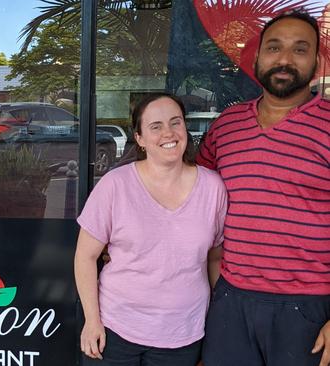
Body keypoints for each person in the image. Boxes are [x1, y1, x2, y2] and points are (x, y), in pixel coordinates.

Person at [197, 10, 330, 366]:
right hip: (230, 299)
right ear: (256, 58)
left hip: (309, 307)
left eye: (300, 50)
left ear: (316, 63)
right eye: (274, 47)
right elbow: (190, 194)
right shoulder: (227, 125)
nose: (284, 59)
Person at [75, 93, 227, 365]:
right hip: (115, 330)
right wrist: (91, 320)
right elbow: (85, 257)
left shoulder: (213, 188)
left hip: (183, 334)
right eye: (155, 126)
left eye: (175, 122)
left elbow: (215, 258)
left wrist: (219, 320)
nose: (168, 133)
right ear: (140, 138)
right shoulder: (115, 185)